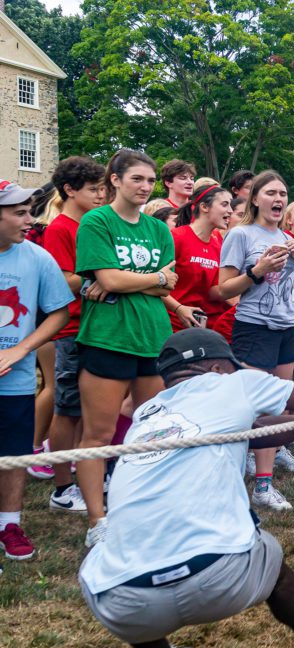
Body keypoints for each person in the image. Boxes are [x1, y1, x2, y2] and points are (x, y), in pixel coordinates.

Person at [79, 328, 294, 648]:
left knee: (122, 569)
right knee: (273, 562)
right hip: (220, 577)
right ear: (220, 367)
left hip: (123, 603)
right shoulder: (234, 384)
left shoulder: (147, 415)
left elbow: (259, 431)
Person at [76, 149, 177, 547]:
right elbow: (110, 281)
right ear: (114, 179)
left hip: (153, 337)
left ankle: (142, 506)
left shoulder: (158, 229)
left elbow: (169, 282)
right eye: (137, 178)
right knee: (98, 434)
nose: (145, 187)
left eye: (150, 181)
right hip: (107, 337)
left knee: (151, 431)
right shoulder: (97, 221)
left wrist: (127, 278)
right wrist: (150, 278)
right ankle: (97, 520)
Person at [219, 170, 294, 511]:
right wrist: (258, 269)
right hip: (253, 327)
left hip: (285, 327)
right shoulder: (240, 236)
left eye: (283, 193)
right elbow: (224, 289)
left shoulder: (286, 236)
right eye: (271, 192)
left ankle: (264, 485)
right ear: (255, 198)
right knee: (248, 407)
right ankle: (231, 474)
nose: (279, 199)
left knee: (276, 406)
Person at [0, 180, 73, 564]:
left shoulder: (36, 257)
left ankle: (9, 524)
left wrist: (21, 349)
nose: (30, 220)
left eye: (30, 211)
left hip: (18, 378)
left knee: (13, 453)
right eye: (19, 213)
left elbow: (59, 310)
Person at [37, 157, 105, 508]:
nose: (100, 195)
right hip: (72, 327)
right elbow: (61, 280)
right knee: (67, 408)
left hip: (99, 326)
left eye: (102, 189)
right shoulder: (60, 228)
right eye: (93, 189)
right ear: (69, 190)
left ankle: (83, 471)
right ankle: (62, 487)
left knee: (88, 408)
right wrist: (102, 273)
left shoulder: (94, 224)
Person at [164, 184, 233, 333]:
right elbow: (154, 282)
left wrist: (253, 275)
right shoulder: (176, 237)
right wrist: (179, 309)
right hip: (171, 324)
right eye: (224, 204)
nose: (231, 211)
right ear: (204, 207)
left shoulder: (218, 245)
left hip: (200, 327)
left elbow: (214, 290)